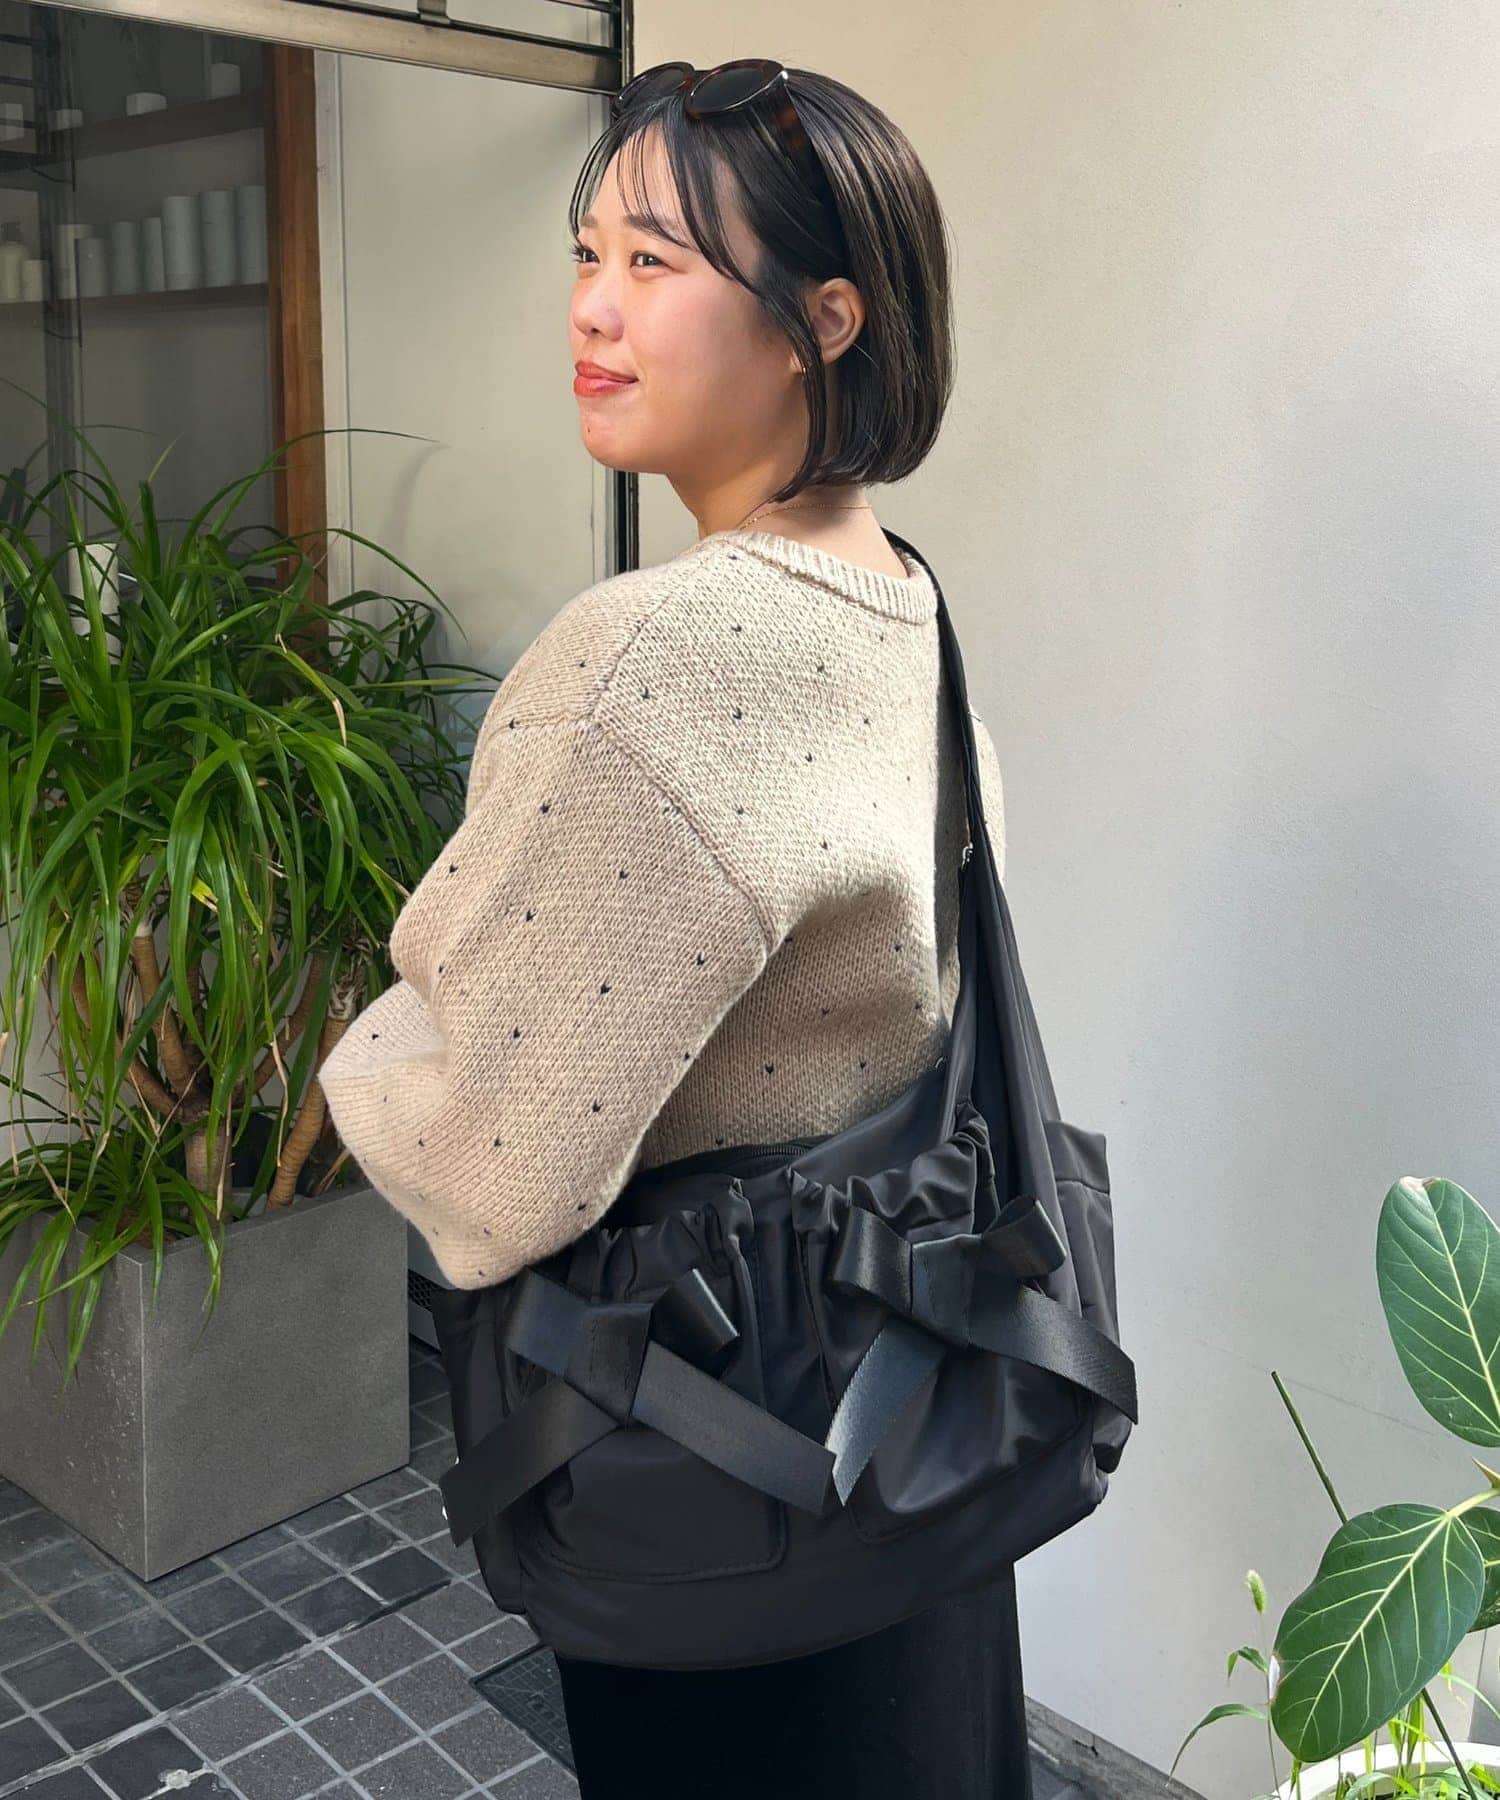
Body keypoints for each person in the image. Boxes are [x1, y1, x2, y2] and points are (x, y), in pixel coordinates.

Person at [319, 55, 1031, 1800]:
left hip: (719, 1490)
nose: (591, 307)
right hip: (908, 1427)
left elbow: (493, 1164)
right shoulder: (905, 603)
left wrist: (366, 1051)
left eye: (656, 261)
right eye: (588, 254)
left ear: (822, 324)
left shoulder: (653, 656)